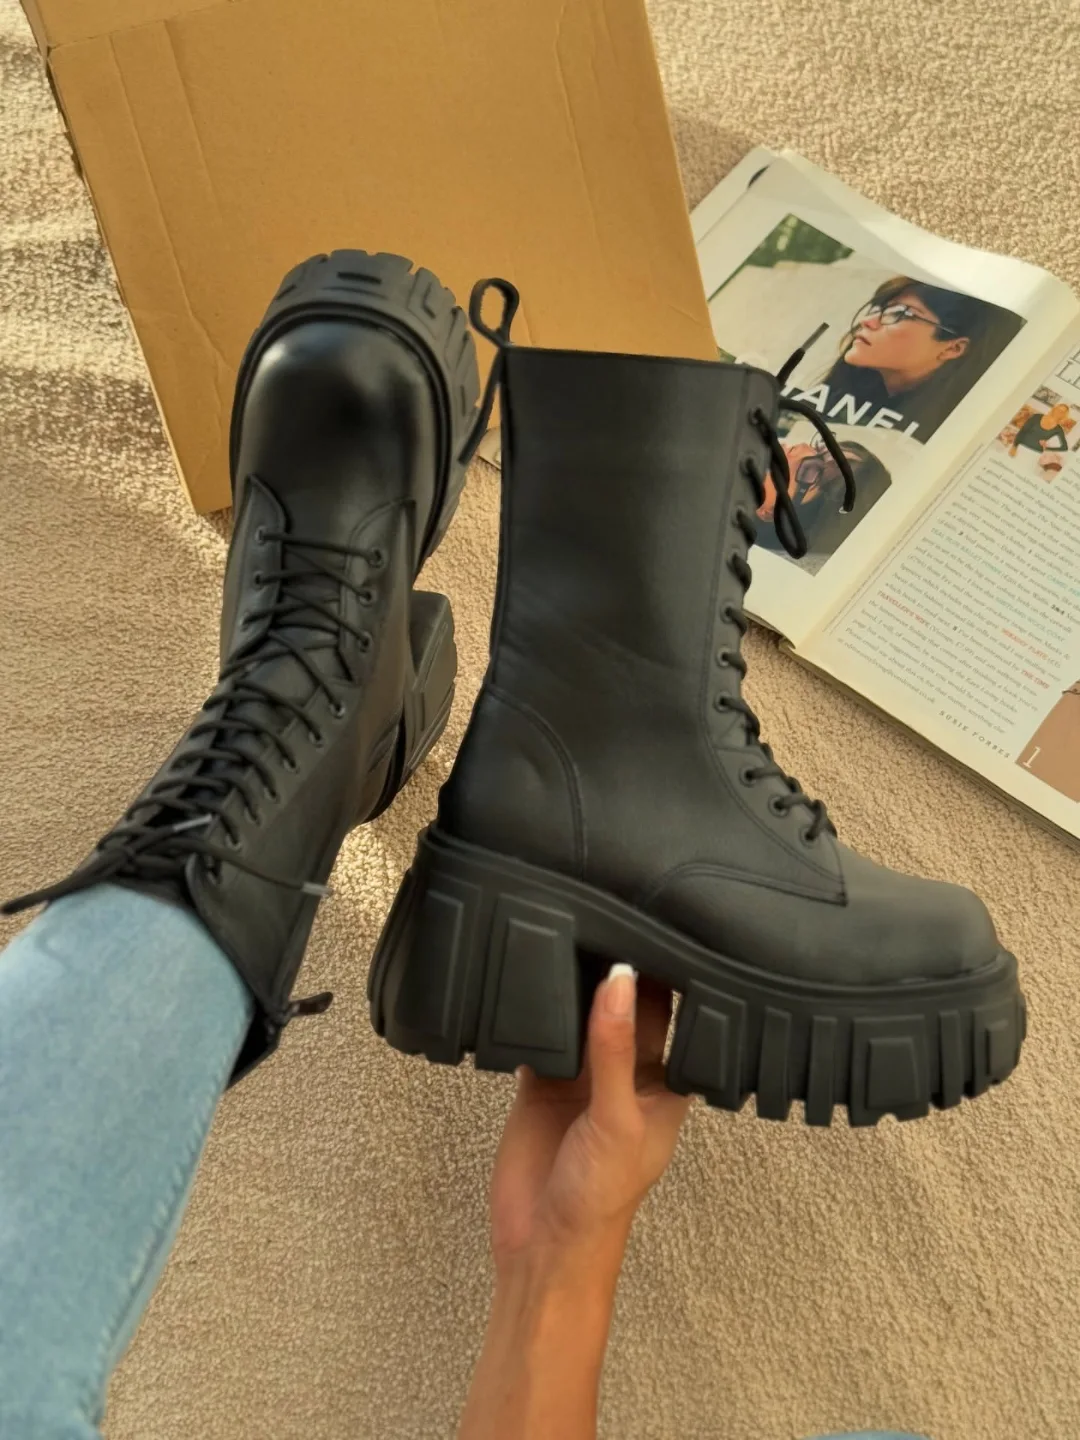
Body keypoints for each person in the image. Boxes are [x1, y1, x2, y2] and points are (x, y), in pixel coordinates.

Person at [818, 277, 1023, 441]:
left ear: (953, 348)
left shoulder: (953, 428)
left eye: (899, 313)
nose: (867, 321)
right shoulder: (850, 389)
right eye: (879, 309)